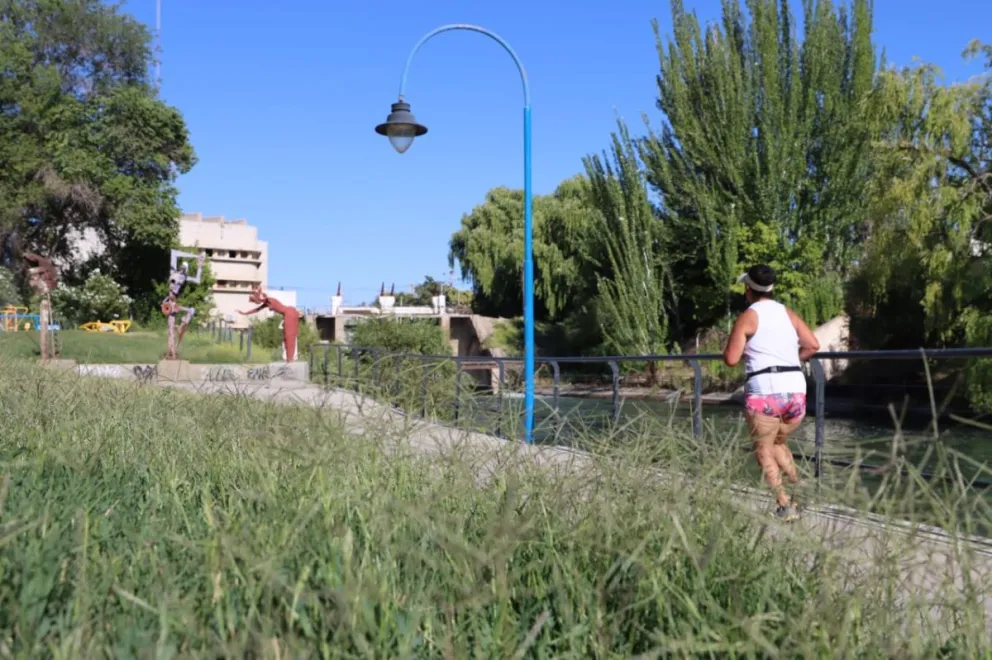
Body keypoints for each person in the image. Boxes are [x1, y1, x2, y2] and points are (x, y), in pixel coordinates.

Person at [722, 264, 820, 521]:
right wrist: (791, 360)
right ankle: (800, 490)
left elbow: (731, 359)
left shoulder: (748, 316)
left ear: (748, 289)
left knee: (763, 450)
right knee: (776, 442)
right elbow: (812, 345)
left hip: (765, 391)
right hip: (795, 391)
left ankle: (785, 505)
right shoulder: (788, 313)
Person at [237, 286, 302, 361]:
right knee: (288, 336)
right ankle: (289, 358)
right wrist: (243, 313)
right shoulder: (266, 303)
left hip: (290, 313)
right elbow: (256, 310)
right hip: (289, 313)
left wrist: (259, 292)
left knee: (289, 336)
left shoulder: (269, 300)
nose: (258, 301)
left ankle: (290, 358)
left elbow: (265, 297)